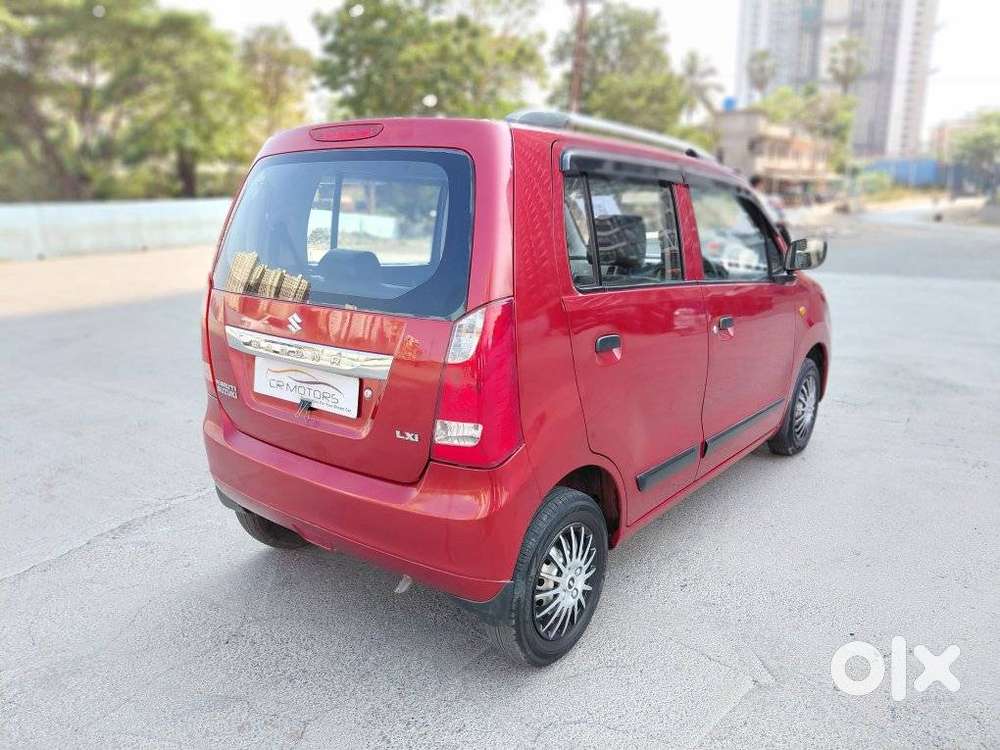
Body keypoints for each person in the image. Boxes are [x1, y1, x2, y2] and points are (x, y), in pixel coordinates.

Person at [749, 175, 792, 246]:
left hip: (762, 223)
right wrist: (778, 221)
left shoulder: (755, 194)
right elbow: (765, 212)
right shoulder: (757, 195)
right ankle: (788, 250)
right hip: (762, 225)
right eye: (763, 184)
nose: (763, 186)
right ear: (759, 184)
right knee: (783, 231)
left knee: (782, 230)